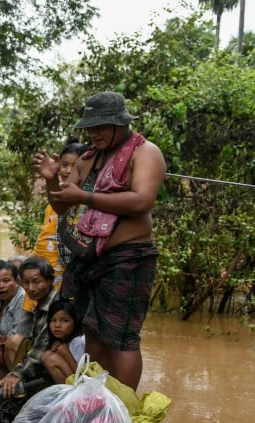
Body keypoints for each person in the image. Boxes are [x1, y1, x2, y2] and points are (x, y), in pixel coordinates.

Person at [33, 91, 165, 390]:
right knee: (93, 331)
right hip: (90, 257)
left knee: (123, 338)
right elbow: (62, 205)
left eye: (101, 126)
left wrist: (84, 196)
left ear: (121, 123)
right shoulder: (88, 158)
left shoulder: (145, 153)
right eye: (90, 128)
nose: (93, 133)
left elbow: (142, 201)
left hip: (128, 258)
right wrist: (53, 179)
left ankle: (124, 408)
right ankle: (98, 399)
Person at [0, 256, 59, 397]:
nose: (31, 288)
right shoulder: (41, 303)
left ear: (50, 280)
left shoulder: (55, 307)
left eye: (37, 282)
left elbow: (41, 348)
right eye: (26, 282)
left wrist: (16, 374)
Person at [33, 139, 88, 290]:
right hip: (53, 276)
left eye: (75, 166)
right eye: (64, 165)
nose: (68, 171)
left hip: (79, 276)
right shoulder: (54, 204)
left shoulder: (90, 199)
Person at [41, 298, 82, 384]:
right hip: (76, 381)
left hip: (84, 385)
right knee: (46, 355)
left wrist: (65, 353)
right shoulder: (62, 340)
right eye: (53, 320)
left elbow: (84, 376)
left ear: (75, 321)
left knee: (51, 359)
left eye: (65, 321)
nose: (57, 325)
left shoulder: (79, 341)